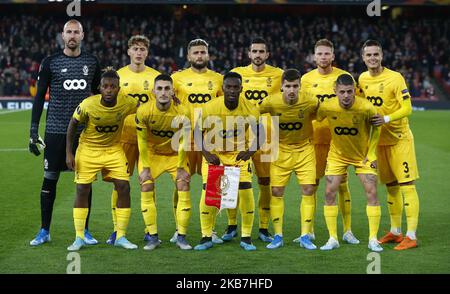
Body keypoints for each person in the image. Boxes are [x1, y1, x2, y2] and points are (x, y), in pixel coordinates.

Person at [29, 19, 101, 246]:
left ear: (82, 35)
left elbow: (100, 95)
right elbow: (39, 97)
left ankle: (85, 231)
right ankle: (44, 230)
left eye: (76, 32)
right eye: (68, 32)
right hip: (56, 131)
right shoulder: (50, 62)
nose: (72, 36)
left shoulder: (92, 61)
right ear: (62, 35)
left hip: (85, 133)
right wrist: (33, 130)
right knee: (50, 179)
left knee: (85, 183)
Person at [65, 68, 138, 251]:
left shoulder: (127, 102)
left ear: (118, 88)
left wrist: (171, 101)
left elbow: (144, 107)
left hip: (113, 149)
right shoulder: (88, 104)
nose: (109, 90)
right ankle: (79, 237)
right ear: (100, 88)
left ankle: (120, 236)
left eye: (113, 86)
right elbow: (72, 125)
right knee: (82, 189)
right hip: (88, 149)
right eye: (105, 86)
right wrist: (69, 153)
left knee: (124, 186)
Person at [359, 39, 420, 250]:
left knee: (407, 185)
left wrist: (385, 119)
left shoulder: (396, 78)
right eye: (369, 55)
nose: (372, 58)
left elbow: (408, 108)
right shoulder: (362, 79)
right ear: (363, 58)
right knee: (391, 187)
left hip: (399, 139)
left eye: (376, 54)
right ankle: (395, 231)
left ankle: (411, 235)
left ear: (382, 56)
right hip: (380, 142)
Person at [297, 39, 359, 245]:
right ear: (314, 57)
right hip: (312, 141)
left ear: (333, 56)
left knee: (341, 185)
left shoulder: (344, 78)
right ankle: (308, 231)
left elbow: (353, 108)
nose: (323, 57)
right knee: (310, 185)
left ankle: (347, 231)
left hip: (337, 142)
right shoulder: (305, 80)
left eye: (327, 54)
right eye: (320, 54)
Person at [194, 72, 262, 251]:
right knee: (210, 193)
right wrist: (206, 154)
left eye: (235, 87)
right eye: (228, 87)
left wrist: (250, 151)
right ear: (222, 88)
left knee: (246, 191)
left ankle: (246, 237)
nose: (232, 90)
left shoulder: (250, 108)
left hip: (238, 155)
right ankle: (206, 236)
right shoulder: (210, 107)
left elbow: (260, 133)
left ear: (241, 88)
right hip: (214, 155)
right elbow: (196, 132)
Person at [316, 74, 383, 252]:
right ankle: (333, 238)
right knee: (330, 192)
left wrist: (371, 152)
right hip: (337, 155)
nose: (346, 96)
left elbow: (377, 128)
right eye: (342, 92)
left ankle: (373, 239)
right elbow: (316, 118)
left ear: (355, 90)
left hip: (362, 157)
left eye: (349, 91)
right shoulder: (327, 106)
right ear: (335, 91)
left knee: (372, 192)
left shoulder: (366, 107)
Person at [107, 35, 161, 245]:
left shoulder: (156, 77)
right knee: (119, 184)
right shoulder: (118, 76)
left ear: (147, 53)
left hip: (148, 139)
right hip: (124, 138)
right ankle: (116, 230)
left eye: (142, 49)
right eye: (135, 49)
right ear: (128, 51)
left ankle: (150, 231)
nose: (139, 52)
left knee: (148, 183)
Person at [229, 37, 283, 243]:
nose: (258, 55)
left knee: (265, 182)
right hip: (240, 135)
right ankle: (232, 224)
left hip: (269, 135)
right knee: (234, 181)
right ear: (249, 54)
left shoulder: (278, 75)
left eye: (262, 51)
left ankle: (263, 227)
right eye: (255, 51)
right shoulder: (239, 73)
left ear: (267, 54)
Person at [258, 69, 319, 250]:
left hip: (305, 149)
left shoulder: (310, 100)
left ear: (300, 86)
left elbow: (322, 112)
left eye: (295, 86)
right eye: (288, 86)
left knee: (308, 189)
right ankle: (278, 235)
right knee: (276, 191)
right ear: (282, 87)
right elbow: (252, 112)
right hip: (281, 150)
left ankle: (305, 235)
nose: (291, 90)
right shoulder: (271, 102)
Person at [170, 38, 223, 244]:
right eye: (196, 53)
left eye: (203, 52)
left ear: (208, 55)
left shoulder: (218, 79)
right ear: (189, 56)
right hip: (183, 138)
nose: (199, 56)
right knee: (180, 183)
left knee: (213, 185)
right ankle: (178, 228)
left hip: (211, 138)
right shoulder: (177, 79)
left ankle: (211, 229)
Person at [135, 74, 193, 251]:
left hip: (175, 154)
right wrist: (145, 167)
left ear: (173, 91)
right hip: (152, 155)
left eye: (167, 88)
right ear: (153, 91)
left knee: (183, 185)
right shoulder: (144, 111)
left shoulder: (183, 112)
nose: (163, 92)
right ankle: (153, 237)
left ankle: (181, 237)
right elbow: (142, 141)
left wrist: (182, 166)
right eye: (159, 88)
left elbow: (183, 141)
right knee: (146, 185)